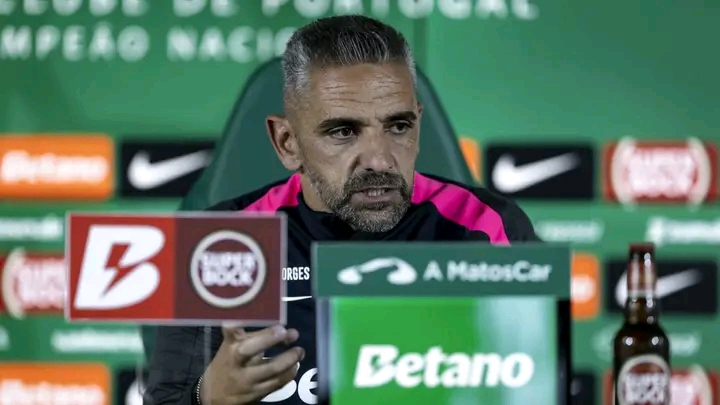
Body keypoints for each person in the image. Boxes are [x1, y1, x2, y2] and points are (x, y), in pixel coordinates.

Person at [145, 14, 541, 405]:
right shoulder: (218, 242)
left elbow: (537, 390)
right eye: (343, 131)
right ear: (287, 142)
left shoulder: (488, 228)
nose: (379, 160)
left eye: (398, 126)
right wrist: (208, 397)